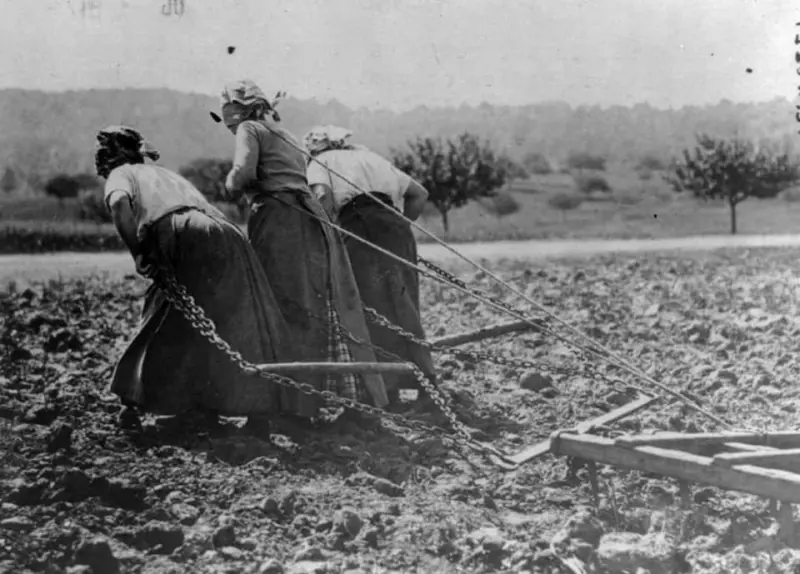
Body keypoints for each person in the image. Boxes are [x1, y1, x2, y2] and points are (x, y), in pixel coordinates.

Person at [95, 125, 294, 433]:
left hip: (182, 231)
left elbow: (119, 204)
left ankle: (133, 403)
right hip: (227, 232)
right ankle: (253, 411)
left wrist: (137, 252)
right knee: (238, 318)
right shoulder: (166, 175)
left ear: (111, 158)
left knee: (164, 313)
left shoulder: (121, 174)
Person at [212, 79, 389, 422]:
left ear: (238, 108)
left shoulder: (250, 128)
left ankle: (287, 404)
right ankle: (308, 399)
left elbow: (244, 173)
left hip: (279, 219)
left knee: (278, 304)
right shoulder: (287, 134)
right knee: (309, 306)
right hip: (309, 218)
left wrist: (229, 183)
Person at [303, 125, 438, 409]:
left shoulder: (320, 162)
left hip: (359, 227)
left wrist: (325, 236)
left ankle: (385, 389)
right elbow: (420, 194)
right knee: (405, 304)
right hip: (397, 228)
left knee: (371, 307)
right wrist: (397, 224)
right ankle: (426, 383)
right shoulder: (373, 158)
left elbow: (323, 197)